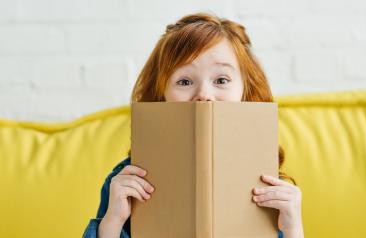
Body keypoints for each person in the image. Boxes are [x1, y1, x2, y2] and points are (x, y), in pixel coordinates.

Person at [83, 12, 304, 238]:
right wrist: (112, 222)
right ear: (161, 94)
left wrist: (293, 229)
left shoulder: (269, 182)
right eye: (185, 81)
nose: (204, 95)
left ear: (245, 90)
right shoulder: (126, 181)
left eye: (221, 80)